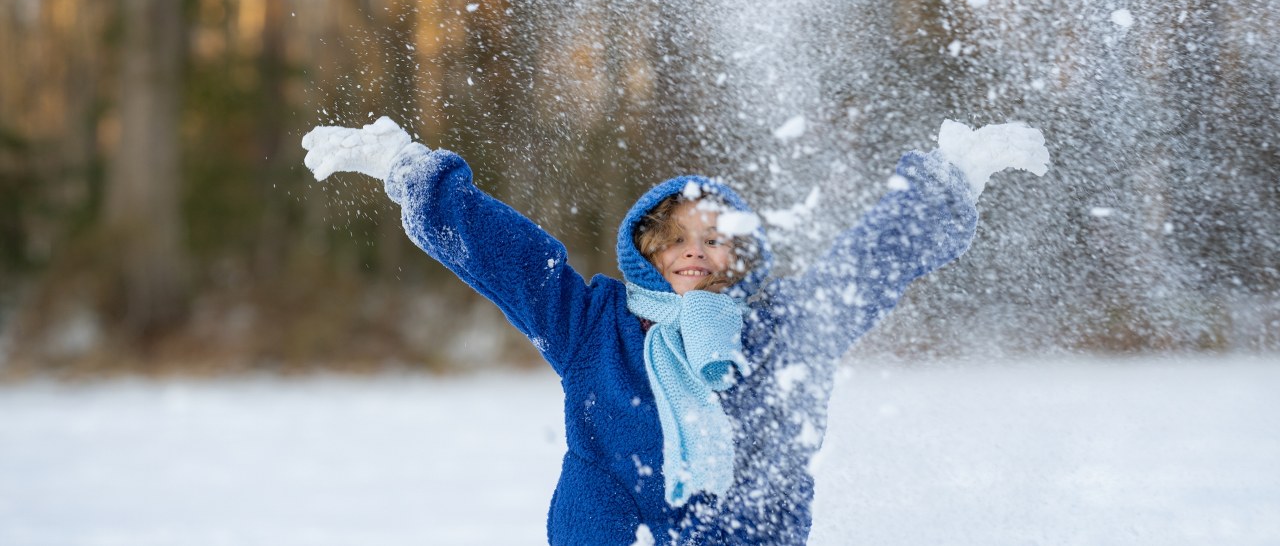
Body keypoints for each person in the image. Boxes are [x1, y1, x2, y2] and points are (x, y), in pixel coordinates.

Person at [301, 116, 1048, 545]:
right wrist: (412, 171)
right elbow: (513, 259)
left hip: (745, 501)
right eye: (675, 235)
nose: (695, 247)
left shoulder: (783, 325)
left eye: (716, 237)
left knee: (760, 505)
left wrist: (952, 178)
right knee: (585, 511)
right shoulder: (593, 318)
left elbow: (868, 264)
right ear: (647, 249)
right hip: (613, 481)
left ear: (743, 252)